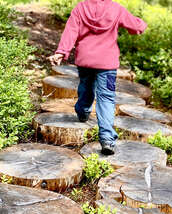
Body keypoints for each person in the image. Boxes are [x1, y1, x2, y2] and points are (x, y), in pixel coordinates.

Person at [48, 0, 146, 155]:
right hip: (107, 63)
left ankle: (82, 111)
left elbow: (71, 31)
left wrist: (62, 51)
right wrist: (142, 25)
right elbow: (135, 27)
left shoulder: (81, 7)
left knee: (86, 85)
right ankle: (107, 138)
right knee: (106, 97)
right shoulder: (115, 8)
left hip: (85, 59)